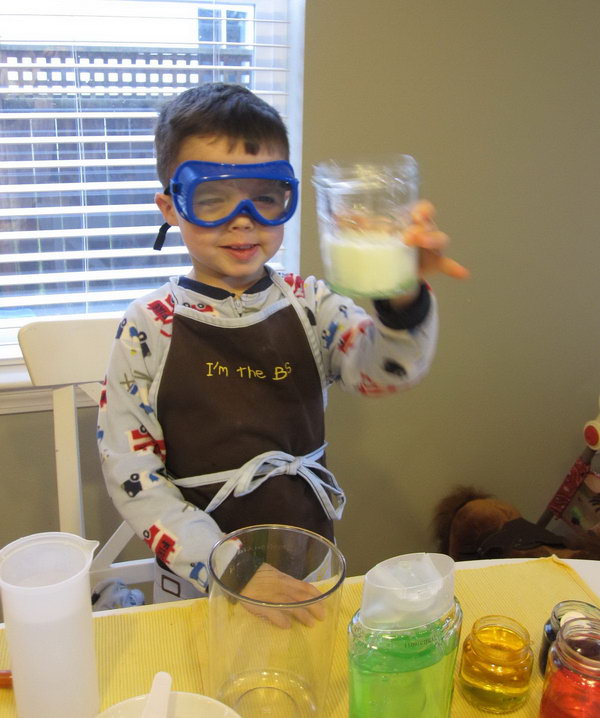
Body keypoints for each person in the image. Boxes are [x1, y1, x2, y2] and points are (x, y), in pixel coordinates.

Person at [97, 82, 469, 606]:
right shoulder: (150, 327)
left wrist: (402, 296)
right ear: (172, 206)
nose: (242, 218)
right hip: (200, 579)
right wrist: (228, 566)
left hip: (306, 556)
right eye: (212, 197)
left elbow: (387, 369)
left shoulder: (308, 302)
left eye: (265, 196)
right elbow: (134, 476)